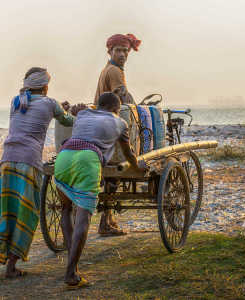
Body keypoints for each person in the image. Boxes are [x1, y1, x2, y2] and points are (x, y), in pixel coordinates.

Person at [0, 67, 74, 278]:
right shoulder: (50, 103)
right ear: (45, 86)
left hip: (7, 160)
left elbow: (36, 114)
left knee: (5, 210)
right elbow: (67, 120)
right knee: (26, 213)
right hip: (29, 162)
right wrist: (72, 112)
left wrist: (59, 109)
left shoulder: (16, 101)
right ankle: (12, 267)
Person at [54, 92, 146, 288]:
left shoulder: (84, 115)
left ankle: (72, 265)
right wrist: (138, 168)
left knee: (65, 209)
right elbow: (128, 153)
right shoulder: (120, 123)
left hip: (64, 156)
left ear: (98, 105)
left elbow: (77, 112)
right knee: (83, 219)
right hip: (87, 160)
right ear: (116, 108)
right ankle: (71, 273)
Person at [94, 33, 141, 235]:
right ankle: (105, 221)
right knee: (115, 174)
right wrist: (141, 109)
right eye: (118, 50)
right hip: (107, 127)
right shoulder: (114, 71)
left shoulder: (110, 68)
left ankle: (108, 218)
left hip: (100, 125)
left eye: (125, 51)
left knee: (112, 179)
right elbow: (123, 96)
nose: (122, 54)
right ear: (110, 51)